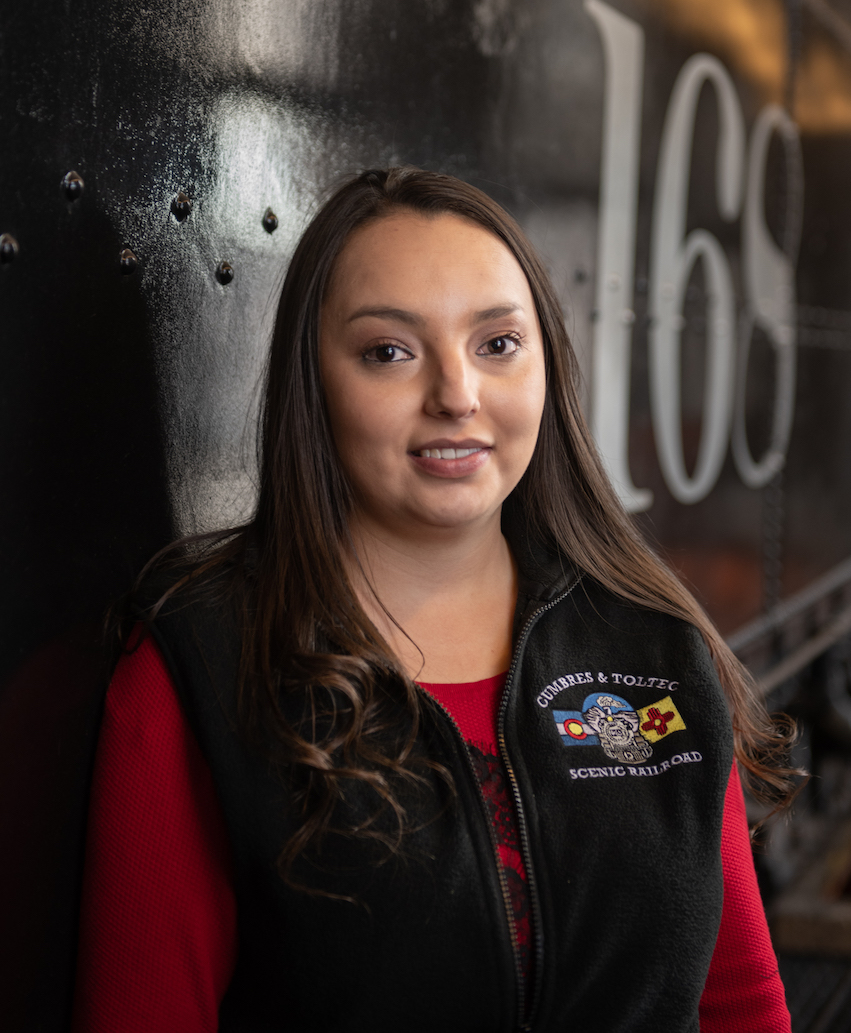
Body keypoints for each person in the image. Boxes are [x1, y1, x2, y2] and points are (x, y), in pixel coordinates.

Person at [72, 167, 797, 1033]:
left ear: (546, 365)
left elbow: (740, 1006)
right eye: (390, 352)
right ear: (317, 383)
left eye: (497, 344)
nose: (457, 395)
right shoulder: (201, 668)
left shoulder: (657, 647)